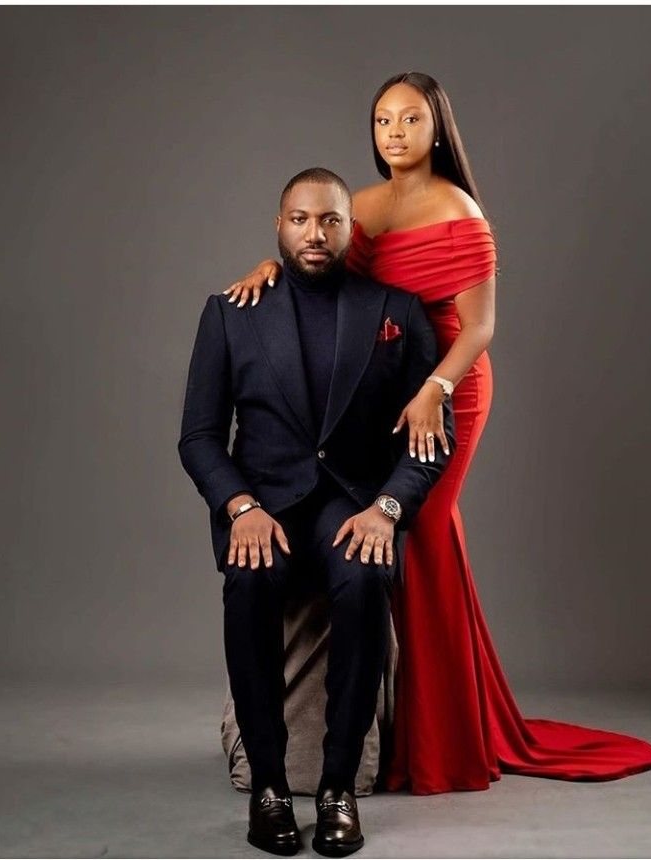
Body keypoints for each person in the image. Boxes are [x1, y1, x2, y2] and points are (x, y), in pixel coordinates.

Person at [220, 71, 651, 795]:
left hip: (450, 382)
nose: (395, 133)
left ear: (438, 129)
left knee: (418, 538)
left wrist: (436, 388)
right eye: (383, 121)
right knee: (383, 544)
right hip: (385, 384)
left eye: (411, 120)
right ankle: (384, 728)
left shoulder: (459, 208)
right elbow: (323, 268)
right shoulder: (357, 206)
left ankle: (441, 740)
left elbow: (482, 325)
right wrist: (272, 266)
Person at [178, 166, 455, 855]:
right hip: (264, 503)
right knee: (249, 581)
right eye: (300, 219)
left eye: (329, 220)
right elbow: (200, 436)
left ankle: (337, 789)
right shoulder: (230, 313)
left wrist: (388, 509)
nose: (315, 232)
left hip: (352, 504)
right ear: (279, 226)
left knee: (364, 578)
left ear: (348, 230)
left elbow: (431, 439)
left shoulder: (394, 310)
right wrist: (239, 506)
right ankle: (269, 787)